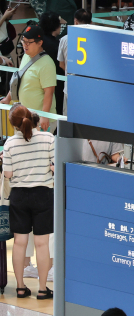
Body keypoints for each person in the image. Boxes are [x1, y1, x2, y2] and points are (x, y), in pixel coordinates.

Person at [3, 104, 55, 300]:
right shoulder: (48, 138)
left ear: (13, 125)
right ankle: (42, 289)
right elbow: (54, 166)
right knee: (42, 244)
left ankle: (20, 287)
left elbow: (8, 174)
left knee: (19, 243)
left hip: (19, 196)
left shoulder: (9, 144)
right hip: (43, 194)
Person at [1, 26, 57, 133]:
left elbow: (48, 92)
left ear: (40, 43)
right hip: (26, 117)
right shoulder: (26, 56)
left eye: (28, 42)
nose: (24, 45)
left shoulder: (47, 64)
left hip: (40, 120)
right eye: (23, 41)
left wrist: (44, 116)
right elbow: (19, 80)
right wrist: (8, 98)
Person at [58, 9, 91, 116]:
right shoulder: (96, 41)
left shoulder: (64, 40)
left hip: (70, 86)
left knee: (68, 120)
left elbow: (61, 64)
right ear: (91, 23)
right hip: (88, 87)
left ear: (75, 21)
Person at [38, 12, 64, 116]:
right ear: (56, 26)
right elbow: (62, 65)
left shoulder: (37, 42)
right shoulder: (56, 46)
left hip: (38, 82)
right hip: (55, 85)